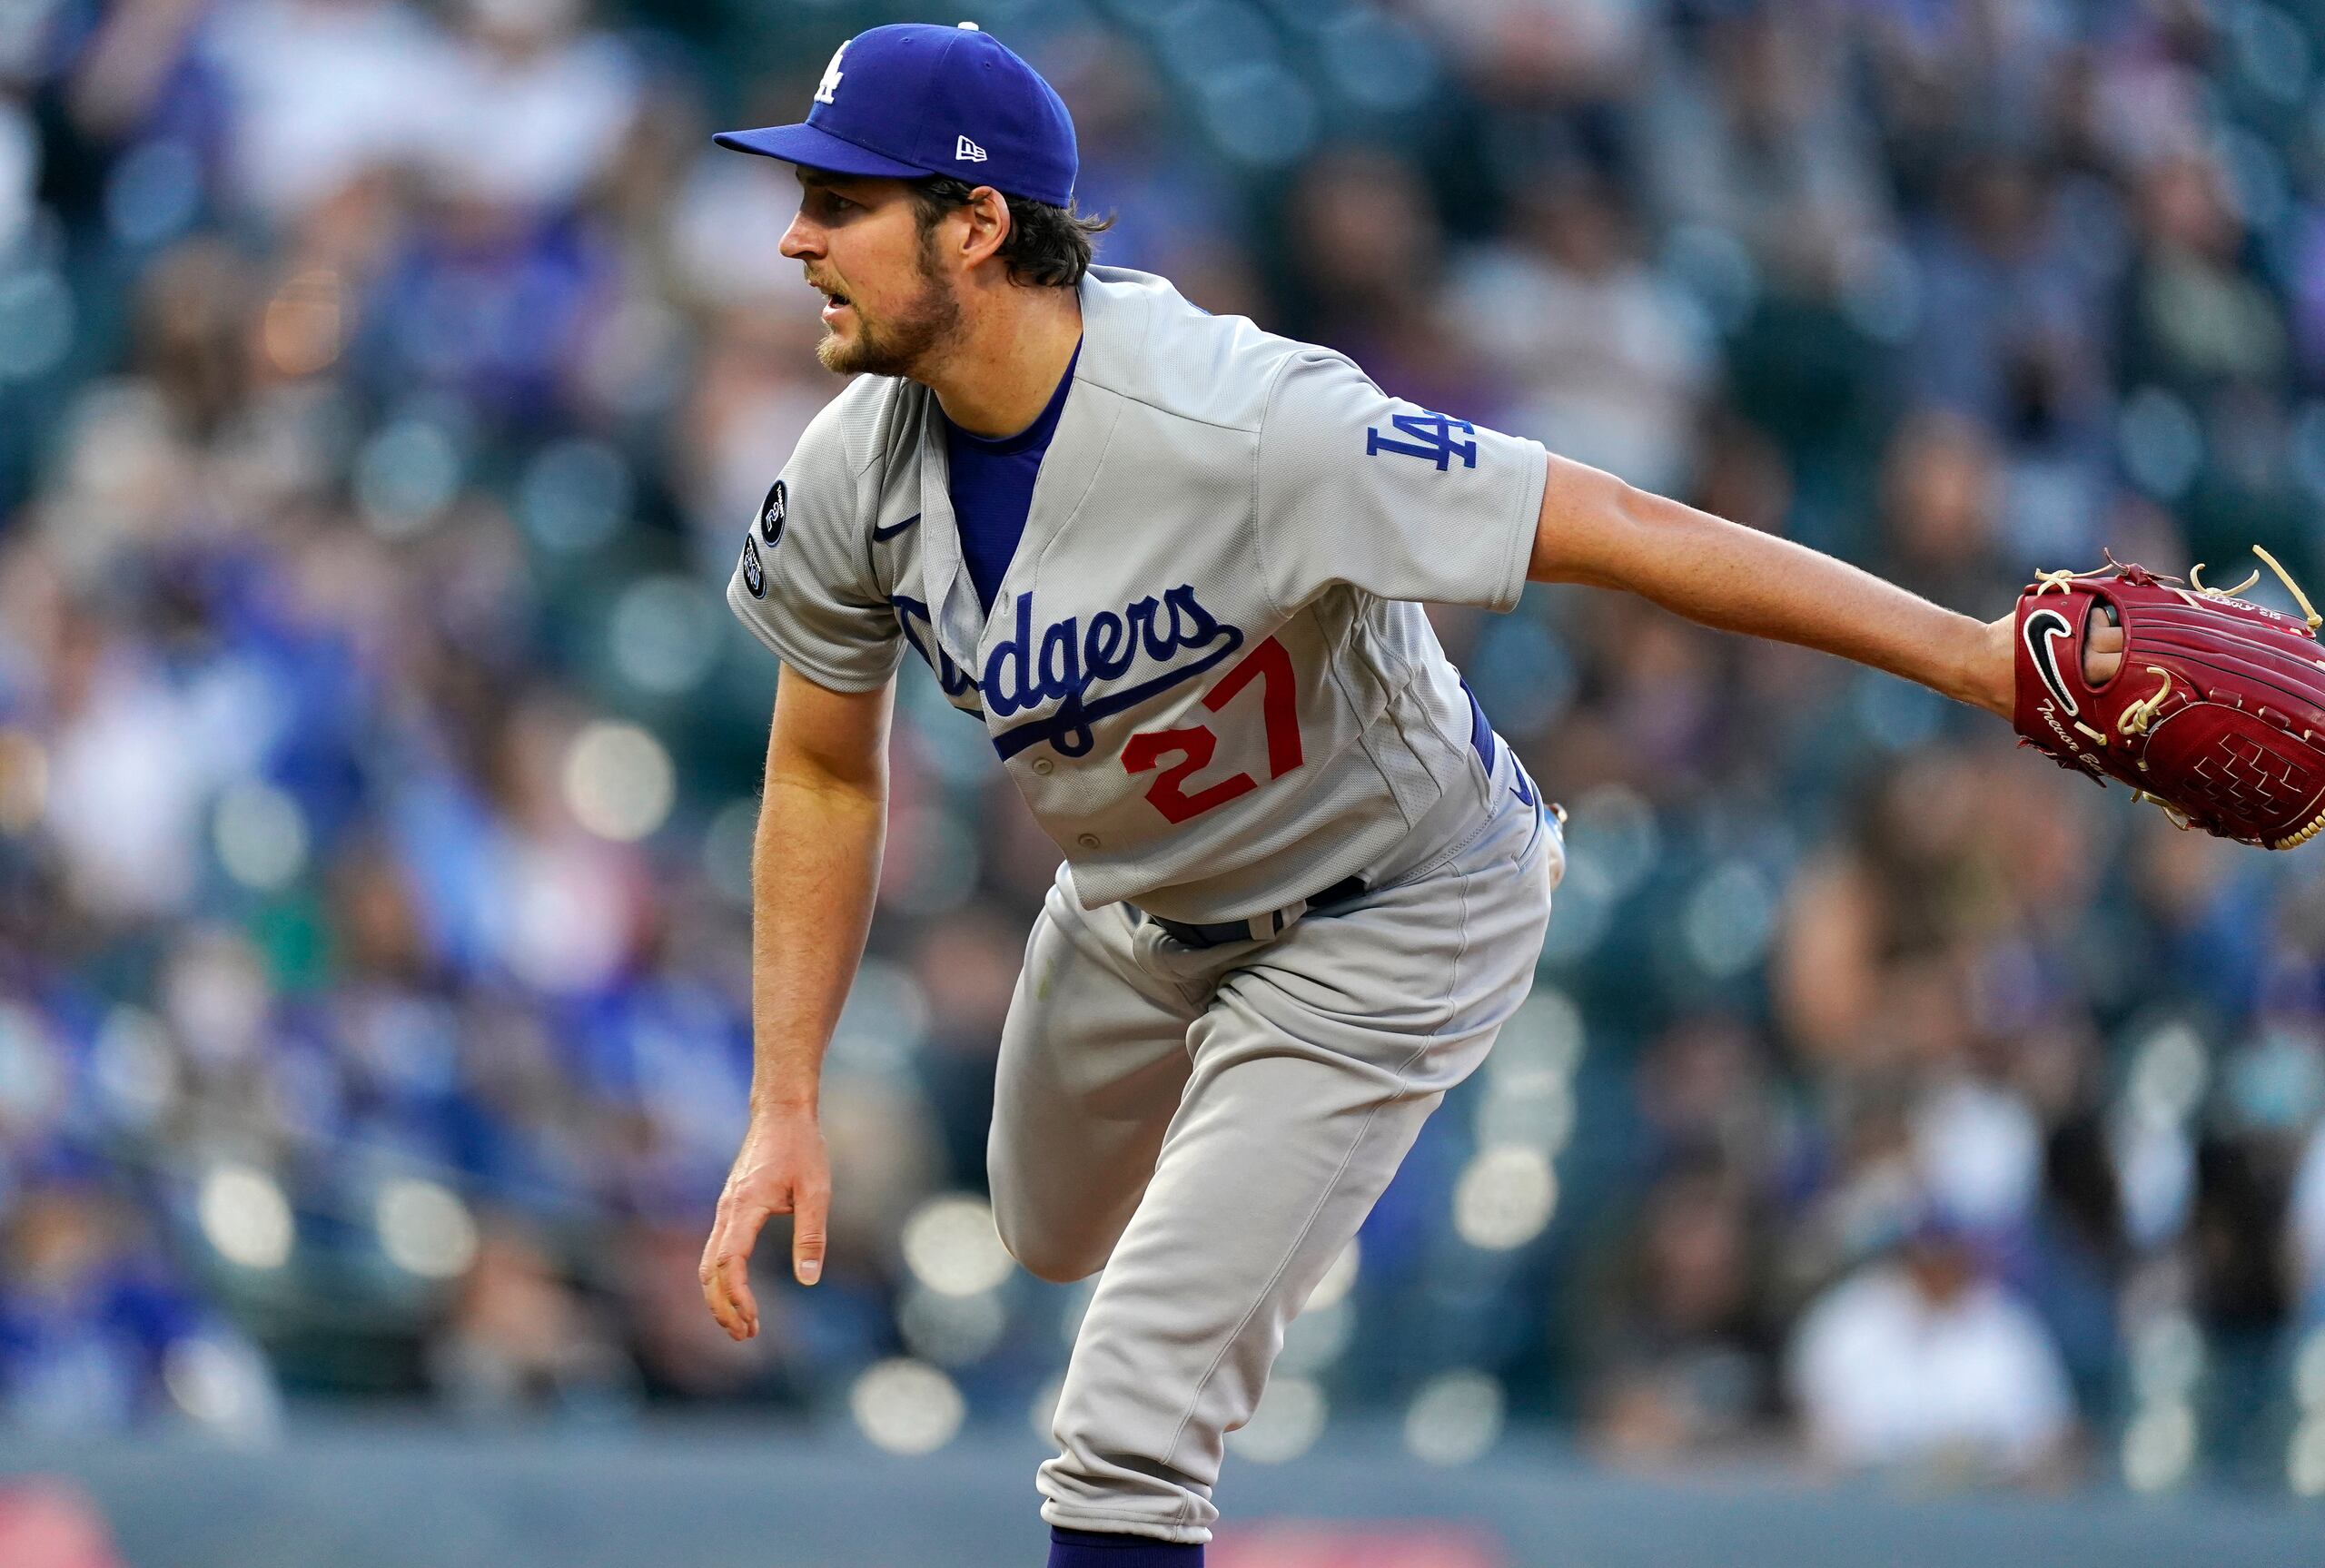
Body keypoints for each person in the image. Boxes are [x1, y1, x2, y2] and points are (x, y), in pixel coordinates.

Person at [693, 22, 2124, 1563]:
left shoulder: (1257, 419)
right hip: (1135, 900)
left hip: (1392, 902)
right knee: (1041, 1232)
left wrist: (1970, 656)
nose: (796, 234)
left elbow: (1622, 523)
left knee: (1124, 1418)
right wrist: (784, 1099)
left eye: (842, 202)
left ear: (975, 227)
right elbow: (824, 772)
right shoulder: (854, 468)